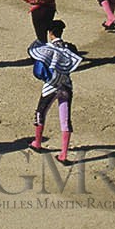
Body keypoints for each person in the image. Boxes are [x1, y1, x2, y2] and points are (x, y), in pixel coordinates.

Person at [28, 19, 83, 163]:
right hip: (66, 85)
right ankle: (63, 154)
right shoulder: (70, 48)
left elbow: (38, 68)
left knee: (40, 113)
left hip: (51, 86)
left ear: (50, 33)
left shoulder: (47, 48)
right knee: (65, 120)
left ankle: (37, 143)